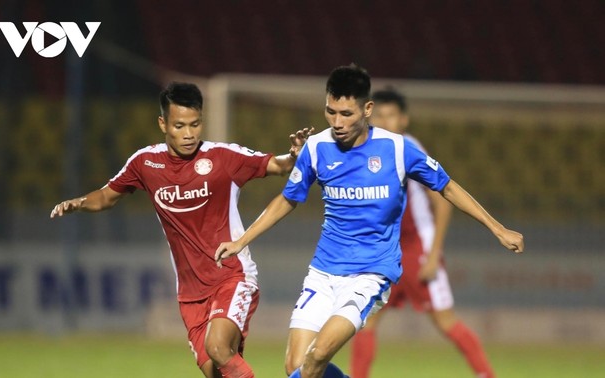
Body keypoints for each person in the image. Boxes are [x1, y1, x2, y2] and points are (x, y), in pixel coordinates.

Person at [215, 64, 524, 378]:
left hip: (370, 274)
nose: (337, 122)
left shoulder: (398, 149)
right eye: (330, 112)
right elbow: (287, 200)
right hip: (323, 272)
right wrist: (242, 240)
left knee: (317, 355)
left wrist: (498, 229)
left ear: (367, 109)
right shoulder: (317, 147)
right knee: (295, 365)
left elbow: (447, 187)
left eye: (346, 114)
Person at [50, 82, 312, 378]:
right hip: (190, 295)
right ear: (163, 123)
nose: (189, 134)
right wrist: (79, 202)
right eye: (179, 126)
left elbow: (276, 166)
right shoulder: (145, 163)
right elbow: (107, 196)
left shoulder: (222, 157)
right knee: (218, 370)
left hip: (232, 276)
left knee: (217, 347)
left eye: (195, 124)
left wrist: (294, 156)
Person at [349, 88, 495, 378]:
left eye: (391, 115)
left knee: (445, 320)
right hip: (384, 251)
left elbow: (441, 201)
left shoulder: (409, 148)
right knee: (366, 321)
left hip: (418, 248)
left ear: (404, 120)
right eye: (379, 114)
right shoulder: (364, 148)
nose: (385, 121)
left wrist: (433, 254)